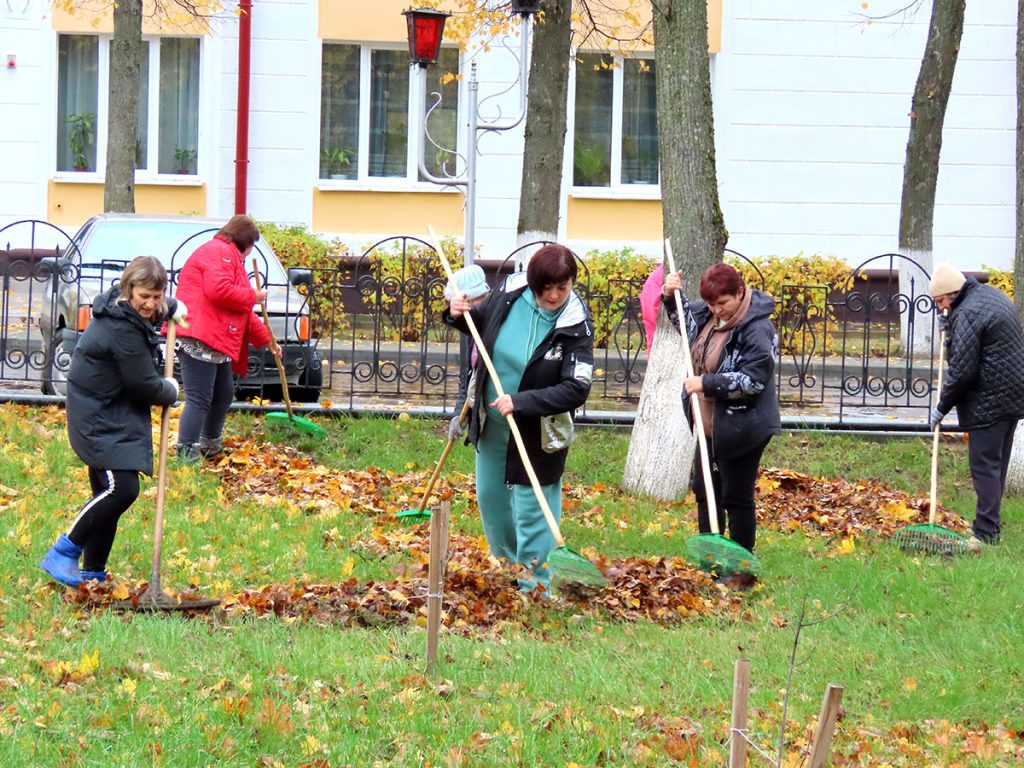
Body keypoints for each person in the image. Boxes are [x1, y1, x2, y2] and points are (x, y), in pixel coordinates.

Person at [445, 245, 594, 591]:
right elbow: (480, 326)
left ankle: (537, 583)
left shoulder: (576, 325)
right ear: (532, 283)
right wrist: (458, 314)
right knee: (492, 500)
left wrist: (522, 402)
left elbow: (576, 388)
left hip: (538, 430)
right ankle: (507, 570)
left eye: (562, 287)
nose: (554, 296)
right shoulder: (510, 294)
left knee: (532, 507)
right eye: (546, 288)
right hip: (493, 422)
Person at [39, 256, 185, 587]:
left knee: (107, 491)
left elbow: (151, 311)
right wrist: (170, 389)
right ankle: (63, 551)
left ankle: (92, 571)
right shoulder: (122, 329)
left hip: (110, 409)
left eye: (157, 296)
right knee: (122, 489)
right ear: (128, 289)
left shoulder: (122, 310)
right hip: (98, 416)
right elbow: (144, 385)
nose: (150, 304)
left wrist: (172, 307)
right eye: (144, 296)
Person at [662, 262, 781, 569]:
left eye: (723, 303)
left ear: (740, 292)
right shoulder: (710, 314)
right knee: (705, 492)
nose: (717, 311)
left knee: (735, 497)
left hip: (744, 426)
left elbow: (753, 381)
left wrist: (707, 383)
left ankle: (741, 567)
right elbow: (687, 328)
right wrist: (671, 298)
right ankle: (711, 559)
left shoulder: (757, 328)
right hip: (709, 425)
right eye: (712, 304)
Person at [927, 263, 1024, 549]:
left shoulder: (967, 313)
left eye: (940, 302)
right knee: (996, 464)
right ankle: (990, 524)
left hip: (989, 399)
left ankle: (985, 532)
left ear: (952, 294)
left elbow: (962, 371)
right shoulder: (989, 295)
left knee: (984, 466)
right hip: (1013, 394)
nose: (940, 308)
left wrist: (942, 407)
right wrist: (951, 333)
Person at [174, 215, 280, 460]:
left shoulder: (229, 256)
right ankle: (186, 452)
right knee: (199, 398)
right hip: (199, 336)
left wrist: (268, 340)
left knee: (223, 394)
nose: (251, 250)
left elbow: (241, 309)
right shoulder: (218, 252)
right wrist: (253, 296)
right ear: (245, 240)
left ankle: (210, 445)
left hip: (214, 338)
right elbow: (218, 291)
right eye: (252, 244)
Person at [444, 264, 491, 441]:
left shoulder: (500, 324)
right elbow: (468, 378)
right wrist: (459, 415)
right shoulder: (468, 325)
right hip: (482, 421)